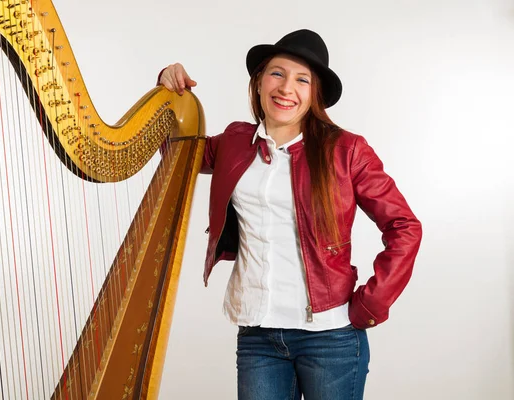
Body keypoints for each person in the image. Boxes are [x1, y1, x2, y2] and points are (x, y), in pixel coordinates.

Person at [158, 29, 422, 400]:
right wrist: (169, 92)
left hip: (330, 338)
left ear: (314, 95)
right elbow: (177, 154)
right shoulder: (234, 142)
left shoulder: (347, 150)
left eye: (302, 80)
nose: (286, 88)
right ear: (259, 81)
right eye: (277, 73)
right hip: (258, 335)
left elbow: (404, 226)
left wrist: (372, 303)